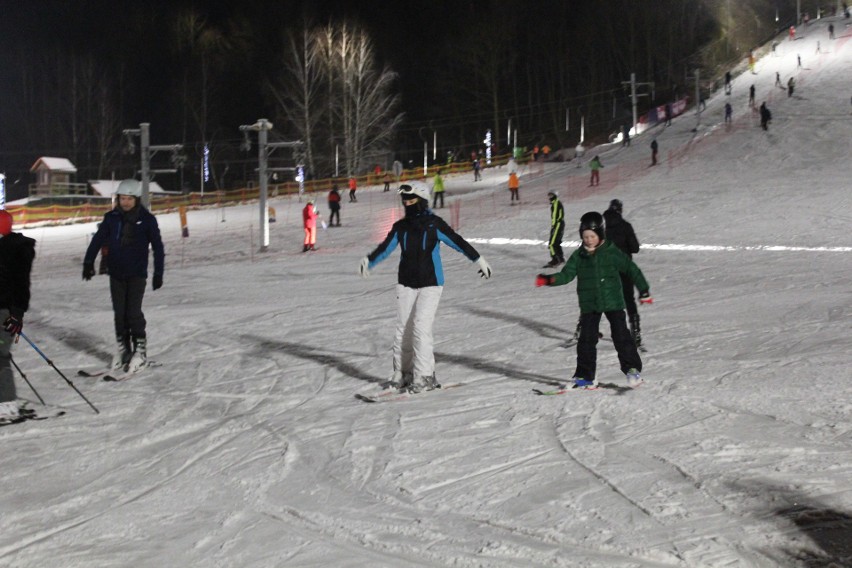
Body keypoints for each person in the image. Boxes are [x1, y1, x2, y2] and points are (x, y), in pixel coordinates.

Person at [358, 181, 492, 393]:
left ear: (421, 199)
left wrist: (478, 260)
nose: (408, 203)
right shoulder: (401, 227)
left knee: (420, 327)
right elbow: (385, 248)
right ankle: (402, 373)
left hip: (431, 283)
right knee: (403, 330)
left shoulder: (434, 224)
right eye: (405, 200)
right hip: (406, 283)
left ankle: (425, 375)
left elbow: (457, 241)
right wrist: (369, 260)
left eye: (411, 200)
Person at [535, 211, 651, 389]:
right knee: (586, 340)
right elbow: (566, 275)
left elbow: (631, 269)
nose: (589, 240)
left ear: (601, 234)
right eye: (585, 236)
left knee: (621, 336)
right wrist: (549, 280)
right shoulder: (578, 256)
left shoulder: (611, 252)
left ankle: (632, 370)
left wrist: (644, 290)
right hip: (589, 304)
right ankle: (585, 376)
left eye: (592, 236)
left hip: (613, 302)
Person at [83, 179, 164, 373]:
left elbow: (158, 247)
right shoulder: (112, 217)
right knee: (119, 314)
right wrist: (88, 262)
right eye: (122, 198)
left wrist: (158, 272)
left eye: (128, 198)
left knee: (133, 313)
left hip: (137, 273)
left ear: (136, 199)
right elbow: (98, 240)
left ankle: (140, 352)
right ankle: (124, 350)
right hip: (116, 272)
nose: (125, 202)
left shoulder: (147, 220)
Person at [0, 210, 36, 422]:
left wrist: (17, 313)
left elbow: (21, 285)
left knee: (0, 356)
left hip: (5, 312)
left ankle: (7, 405)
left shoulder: (15, 252)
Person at [602, 200, 644, 349]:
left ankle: (589, 329)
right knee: (628, 299)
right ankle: (635, 331)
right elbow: (635, 247)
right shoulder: (626, 226)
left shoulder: (604, 227)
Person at [544, 191, 565, 267]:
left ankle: (555, 260)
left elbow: (556, 216)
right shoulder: (555, 203)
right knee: (556, 242)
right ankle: (560, 258)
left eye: (551, 195)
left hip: (558, 224)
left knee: (552, 243)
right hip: (559, 224)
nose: (550, 197)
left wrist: (554, 226)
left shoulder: (556, 203)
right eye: (549, 196)